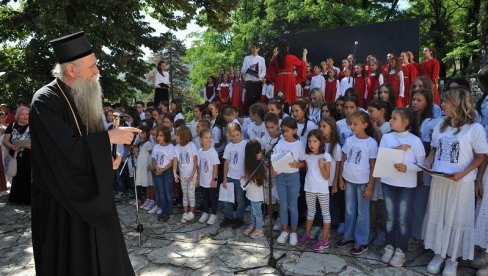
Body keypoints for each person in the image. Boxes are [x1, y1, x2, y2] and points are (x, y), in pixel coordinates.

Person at [30, 32, 139, 275]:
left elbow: (90, 139)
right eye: (92, 66)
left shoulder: (85, 93)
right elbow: (62, 152)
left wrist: (108, 159)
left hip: (94, 195)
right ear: (71, 70)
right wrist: (109, 138)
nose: (97, 71)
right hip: (63, 205)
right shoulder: (44, 101)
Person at [422, 87, 488, 275]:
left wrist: (463, 173)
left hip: (461, 183)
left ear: (458, 104)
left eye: (446, 101)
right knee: (440, 215)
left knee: (457, 218)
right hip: (441, 179)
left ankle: (453, 259)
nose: (441, 104)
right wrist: (428, 161)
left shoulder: (474, 128)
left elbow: (481, 156)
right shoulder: (442, 124)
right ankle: (439, 253)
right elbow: (434, 148)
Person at [379, 108, 425, 267]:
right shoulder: (386, 137)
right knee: (390, 217)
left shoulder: (415, 141)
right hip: (388, 183)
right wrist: (396, 150)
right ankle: (390, 246)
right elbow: (381, 157)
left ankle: (401, 250)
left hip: (406, 185)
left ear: (405, 122)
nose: (390, 121)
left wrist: (407, 168)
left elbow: (421, 164)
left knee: (403, 219)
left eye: (394, 118)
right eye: (391, 118)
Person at [336, 111, 378, 255]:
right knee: (349, 209)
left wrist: (370, 185)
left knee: (362, 212)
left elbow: (373, 165)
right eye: (351, 124)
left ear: (365, 125)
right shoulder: (349, 140)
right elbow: (343, 158)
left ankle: (361, 241)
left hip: (363, 183)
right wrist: (341, 178)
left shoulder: (371, 143)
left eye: (356, 124)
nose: (352, 127)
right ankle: (348, 236)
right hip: (349, 181)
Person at [297, 129, 332, 251]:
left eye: (315, 141)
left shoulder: (325, 156)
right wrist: (296, 164)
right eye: (309, 141)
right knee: (310, 212)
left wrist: (321, 166)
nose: (311, 144)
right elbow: (303, 165)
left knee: (325, 214)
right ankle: (307, 235)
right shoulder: (307, 155)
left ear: (321, 142)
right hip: (309, 188)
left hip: (322, 190)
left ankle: (325, 239)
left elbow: (327, 176)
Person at [274, 117, 306, 246]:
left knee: (292, 206)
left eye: (287, 131)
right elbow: (274, 159)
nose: (285, 134)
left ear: (294, 130)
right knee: (283, 205)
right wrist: (273, 169)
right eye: (283, 131)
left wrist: (297, 164)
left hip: (293, 178)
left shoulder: (299, 144)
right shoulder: (279, 143)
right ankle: (284, 231)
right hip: (280, 177)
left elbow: (303, 162)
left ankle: (293, 232)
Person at [220, 123, 247, 229]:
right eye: (233, 136)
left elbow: (247, 160)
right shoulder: (228, 146)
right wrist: (225, 178)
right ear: (229, 136)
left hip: (240, 177)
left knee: (240, 200)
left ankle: (239, 218)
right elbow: (226, 162)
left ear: (241, 133)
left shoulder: (245, 144)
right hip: (230, 176)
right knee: (228, 199)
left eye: (237, 135)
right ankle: (228, 217)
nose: (235, 138)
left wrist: (246, 173)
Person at [3, 106, 31, 204]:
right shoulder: (12, 125)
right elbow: (5, 140)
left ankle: (29, 200)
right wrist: (11, 146)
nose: (25, 116)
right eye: (23, 114)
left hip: (29, 156)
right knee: (17, 177)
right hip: (15, 156)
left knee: (28, 177)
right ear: (18, 116)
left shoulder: (34, 126)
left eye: (27, 114)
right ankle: (16, 199)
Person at [268, 39, 307, 105]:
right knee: (289, 97)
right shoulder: (291, 57)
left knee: (278, 98)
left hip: (279, 79)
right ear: (287, 48)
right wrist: (304, 54)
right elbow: (302, 64)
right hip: (289, 79)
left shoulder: (276, 58)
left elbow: (270, 67)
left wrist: (274, 55)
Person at [241, 140, 266, 239]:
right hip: (251, 194)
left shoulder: (259, 164)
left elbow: (258, 180)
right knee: (253, 211)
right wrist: (245, 177)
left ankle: (259, 229)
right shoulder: (249, 164)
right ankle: (253, 225)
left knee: (257, 212)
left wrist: (244, 179)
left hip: (257, 195)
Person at [151, 126, 176, 221]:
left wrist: (163, 169)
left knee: (167, 193)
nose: (158, 137)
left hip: (167, 173)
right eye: (158, 135)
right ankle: (163, 210)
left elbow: (172, 161)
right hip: (158, 172)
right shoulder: (156, 147)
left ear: (166, 136)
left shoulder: (170, 147)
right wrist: (156, 167)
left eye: (161, 135)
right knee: (161, 192)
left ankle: (169, 212)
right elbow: (153, 159)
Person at [174, 126, 198, 223]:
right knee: (184, 193)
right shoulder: (176, 148)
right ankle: (185, 212)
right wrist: (174, 173)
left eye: (177, 135)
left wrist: (193, 174)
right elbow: (175, 161)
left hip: (191, 175)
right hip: (183, 175)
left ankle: (192, 212)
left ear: (182, 136)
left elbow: (195, 161)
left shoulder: (192, 145)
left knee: (191, 193)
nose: (175, 137)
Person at [197, 128, 220, 225]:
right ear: (201, 139)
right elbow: (198, 166)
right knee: (205, 198)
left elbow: (215, 167)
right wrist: (198, 178)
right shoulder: (199, 152)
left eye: (210, 137)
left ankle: (213, 214)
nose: (208, 139)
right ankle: (205, 212)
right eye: (206, 137)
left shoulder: (213, 152)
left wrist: (214, 180)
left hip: (211, 181)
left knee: (213, 198)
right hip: (203, 180)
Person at [241, 42, 266, 112]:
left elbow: (264, 72)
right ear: (251, 48)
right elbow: (242, 71)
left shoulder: (262, 59)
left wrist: (259, 76)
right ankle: (250, 115)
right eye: (253, 47)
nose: (254, 49)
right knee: (249, 100)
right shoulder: (246, 58)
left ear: (258, 49)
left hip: (258, 82)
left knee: (257, 100)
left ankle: (257, 116)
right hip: (249, 82)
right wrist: (250, 69)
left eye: (256, 48)